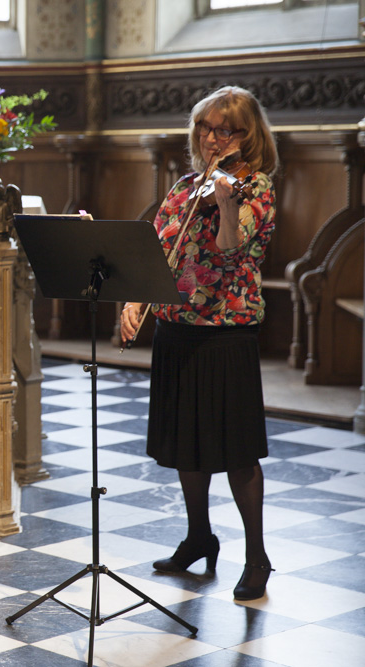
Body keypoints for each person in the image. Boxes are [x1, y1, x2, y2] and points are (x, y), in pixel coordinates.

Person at [120, 86, 279, 601]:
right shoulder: (185, 187)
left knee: (235, 449)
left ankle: (257, 556)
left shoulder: (255, 188)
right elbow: (157, 247)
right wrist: (133, 298)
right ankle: (198, 536)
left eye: (225, 129)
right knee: (186, 442)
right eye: (206, 128)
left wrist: (228, 201)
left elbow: (230, 249)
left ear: (247, 135)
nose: (213, 138)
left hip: (225, 332)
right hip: (177, 328)